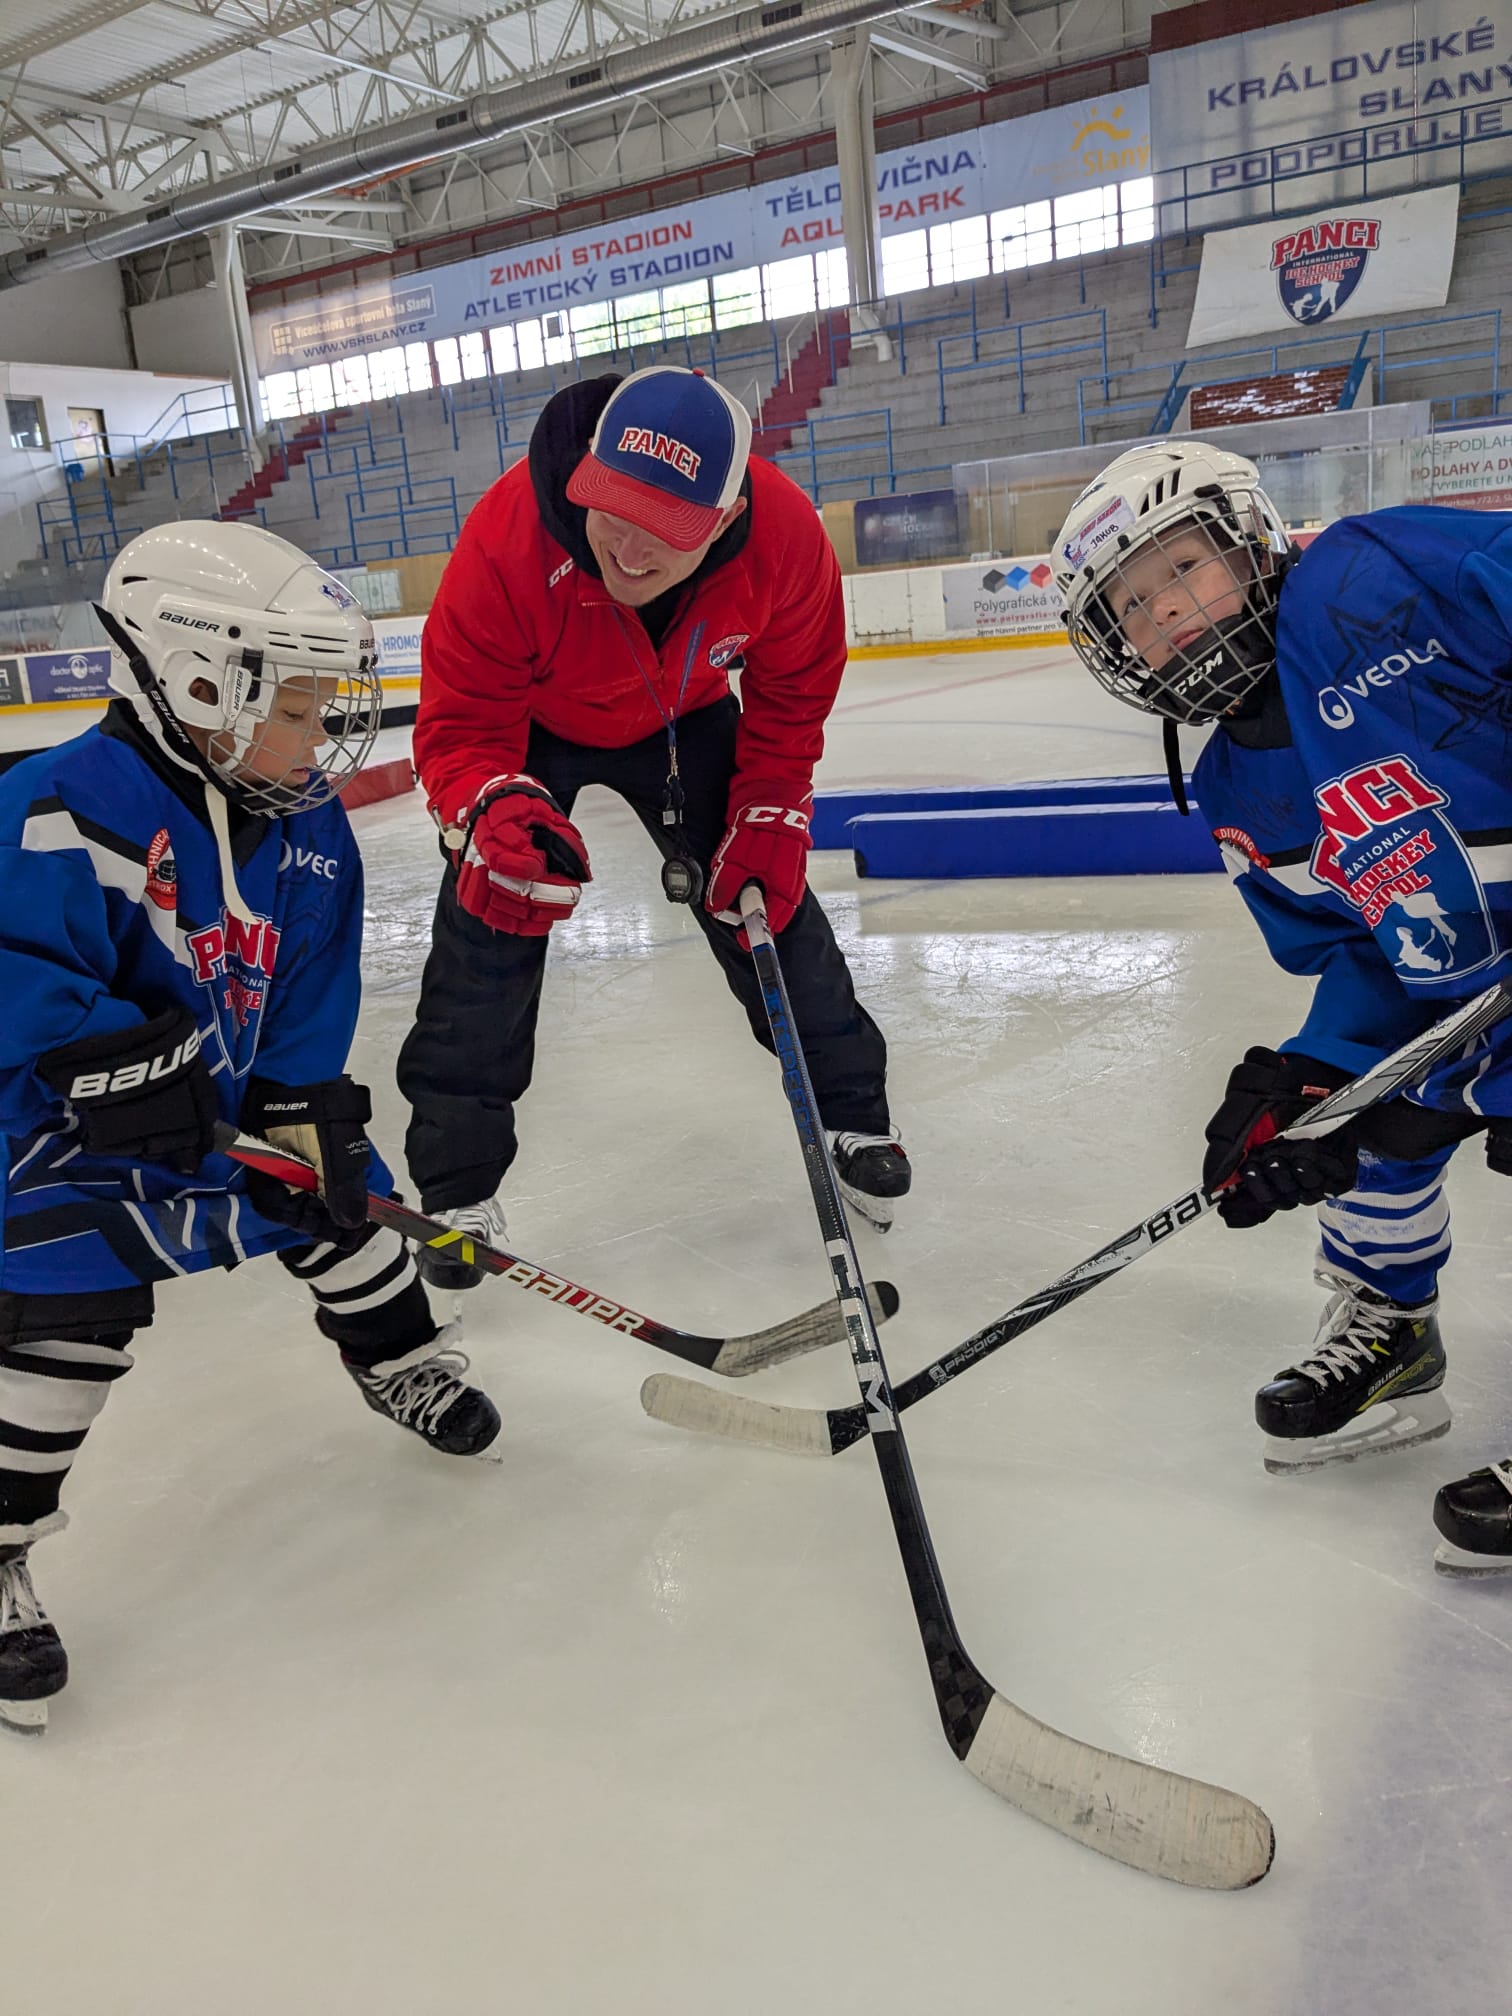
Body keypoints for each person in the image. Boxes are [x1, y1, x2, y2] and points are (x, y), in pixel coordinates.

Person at [0, 521, 501, 1734]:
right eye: (300, 703)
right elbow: (18, 977)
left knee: (340, 1197)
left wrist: (294, 1098)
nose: (324, 732)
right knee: (70, 1307)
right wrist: (107, 1061)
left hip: (214, 1106)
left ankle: (400, 1364)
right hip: (55, 1130)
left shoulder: (310, 833)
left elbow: (306, 1001)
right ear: (199, 681)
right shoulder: (54, 809)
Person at [1052, 441, 1512, 1574]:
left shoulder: (1377, 574)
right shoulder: (1237, 790)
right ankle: (1392, 1330)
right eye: (1136, 609)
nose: (1170, 617)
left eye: (1183, 572)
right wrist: (1322, 1074)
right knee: (1350, 1123)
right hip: (1486, 992)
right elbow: (1379, 953)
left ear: (1250, 542)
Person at [397, 364, 908, 1279]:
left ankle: (854, 1114)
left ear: (721, 521)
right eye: (611, 512)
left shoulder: (785, 541)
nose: (627, 551)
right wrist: (491, 806)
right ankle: (455, 1185)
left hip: (687, 717)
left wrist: (768, 812)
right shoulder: (507, 540)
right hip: (530, 729)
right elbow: (462, 722)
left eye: (664, 534)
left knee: (767, 907)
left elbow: (792, 700)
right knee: (491, 918)